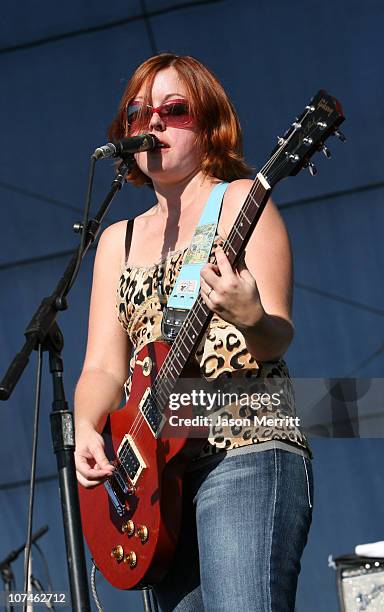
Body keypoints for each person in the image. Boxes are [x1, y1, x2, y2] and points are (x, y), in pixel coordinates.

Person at [74, 53, 313, 612]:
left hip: (244, 447)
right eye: (138, 114)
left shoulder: (241, 202)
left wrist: (250, 314)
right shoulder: (118, 241)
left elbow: (276, 337)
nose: (152, 123)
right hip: (158, 479)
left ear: (208, 126)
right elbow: (103, 368)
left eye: (172, 110)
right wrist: (88, 427)